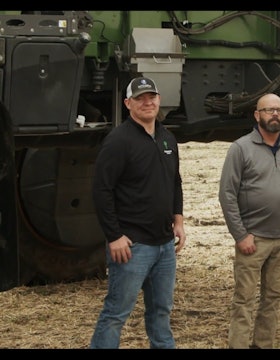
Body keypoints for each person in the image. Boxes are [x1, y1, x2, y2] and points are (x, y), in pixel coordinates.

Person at [90, 76, 186, 348]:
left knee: (161, 312)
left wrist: (178, 220)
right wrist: (114, 236)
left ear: (159, 100)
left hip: (164, 246)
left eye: (152, 97)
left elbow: (174, 181)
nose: (148, 102)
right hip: (133, 246)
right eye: (140, 98)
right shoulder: (118, 141)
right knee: (115, 314)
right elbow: (101, 191)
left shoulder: (167, 138)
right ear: (128, 103)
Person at [218, 93, 280, 349]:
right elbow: (227, 194)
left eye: (279, 110)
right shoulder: (241, 149)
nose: (275, 114)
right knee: (244, 301)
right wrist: (240, 235)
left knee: (272, 299)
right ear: (257, 115)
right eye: (269, 110)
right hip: (253, 240)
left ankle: (263, 344)